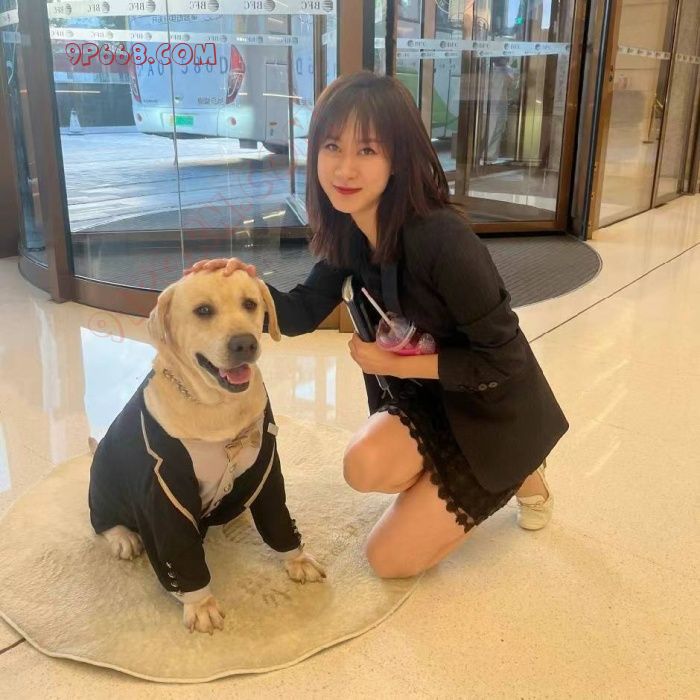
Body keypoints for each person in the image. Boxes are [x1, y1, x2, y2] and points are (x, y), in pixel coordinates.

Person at [187, 72, 568, 579]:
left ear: (398, 158)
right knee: (363, 465)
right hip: (426, 401)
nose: (344, 168)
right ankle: (450, 479)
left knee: (388, 560)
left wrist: (393, 363)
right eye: (331, 146)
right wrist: (243, 287)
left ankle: (520, 467)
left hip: (492, 412)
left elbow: (505, 358)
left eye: (367, 150)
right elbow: (301, 310)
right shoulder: (351, 229)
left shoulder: (444, 240)